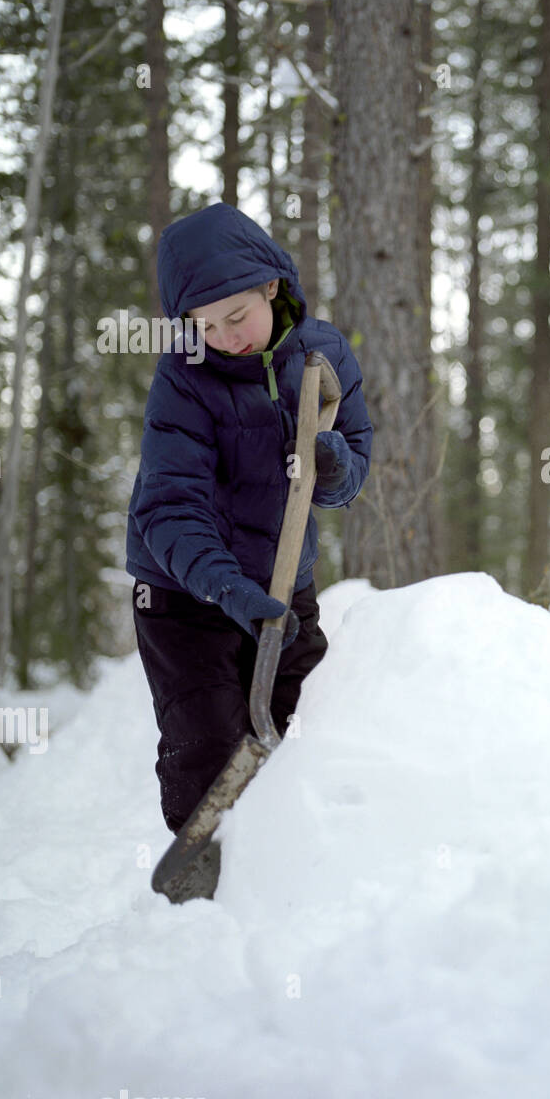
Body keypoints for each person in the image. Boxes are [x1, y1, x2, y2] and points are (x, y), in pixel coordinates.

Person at [126, 202, 372, 848]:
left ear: (272, 285)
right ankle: (205, 892)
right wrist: (228, 589)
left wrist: (337, 467)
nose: (226, 336)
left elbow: (352, 461)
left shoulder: (324, 355)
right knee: (208, 744)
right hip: (185, 595)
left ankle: (299, 870)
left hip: (283, 580)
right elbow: (168, 507)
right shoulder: (183, 381)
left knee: (311, 724)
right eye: (206, 327)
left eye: (236, 317)